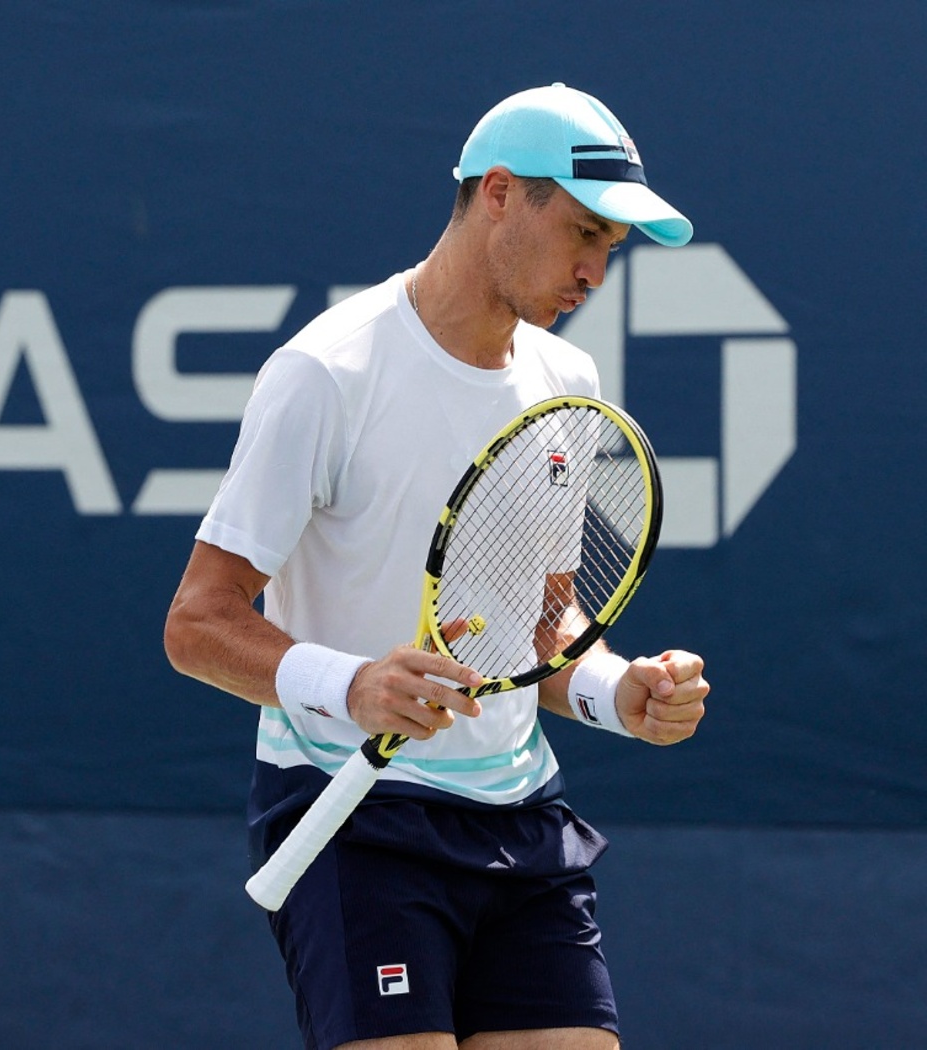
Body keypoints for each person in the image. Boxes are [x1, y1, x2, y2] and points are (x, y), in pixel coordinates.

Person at [165, 83, 711, 1050]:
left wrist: (616, 690)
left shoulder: (565, 384)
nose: (593, 269)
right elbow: (198, 625)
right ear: (500, 193)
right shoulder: (326, 374)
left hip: (520, 818)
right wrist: (355, 685)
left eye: (610, 249)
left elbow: (540, 638)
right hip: (356, 818)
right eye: (582, 231)